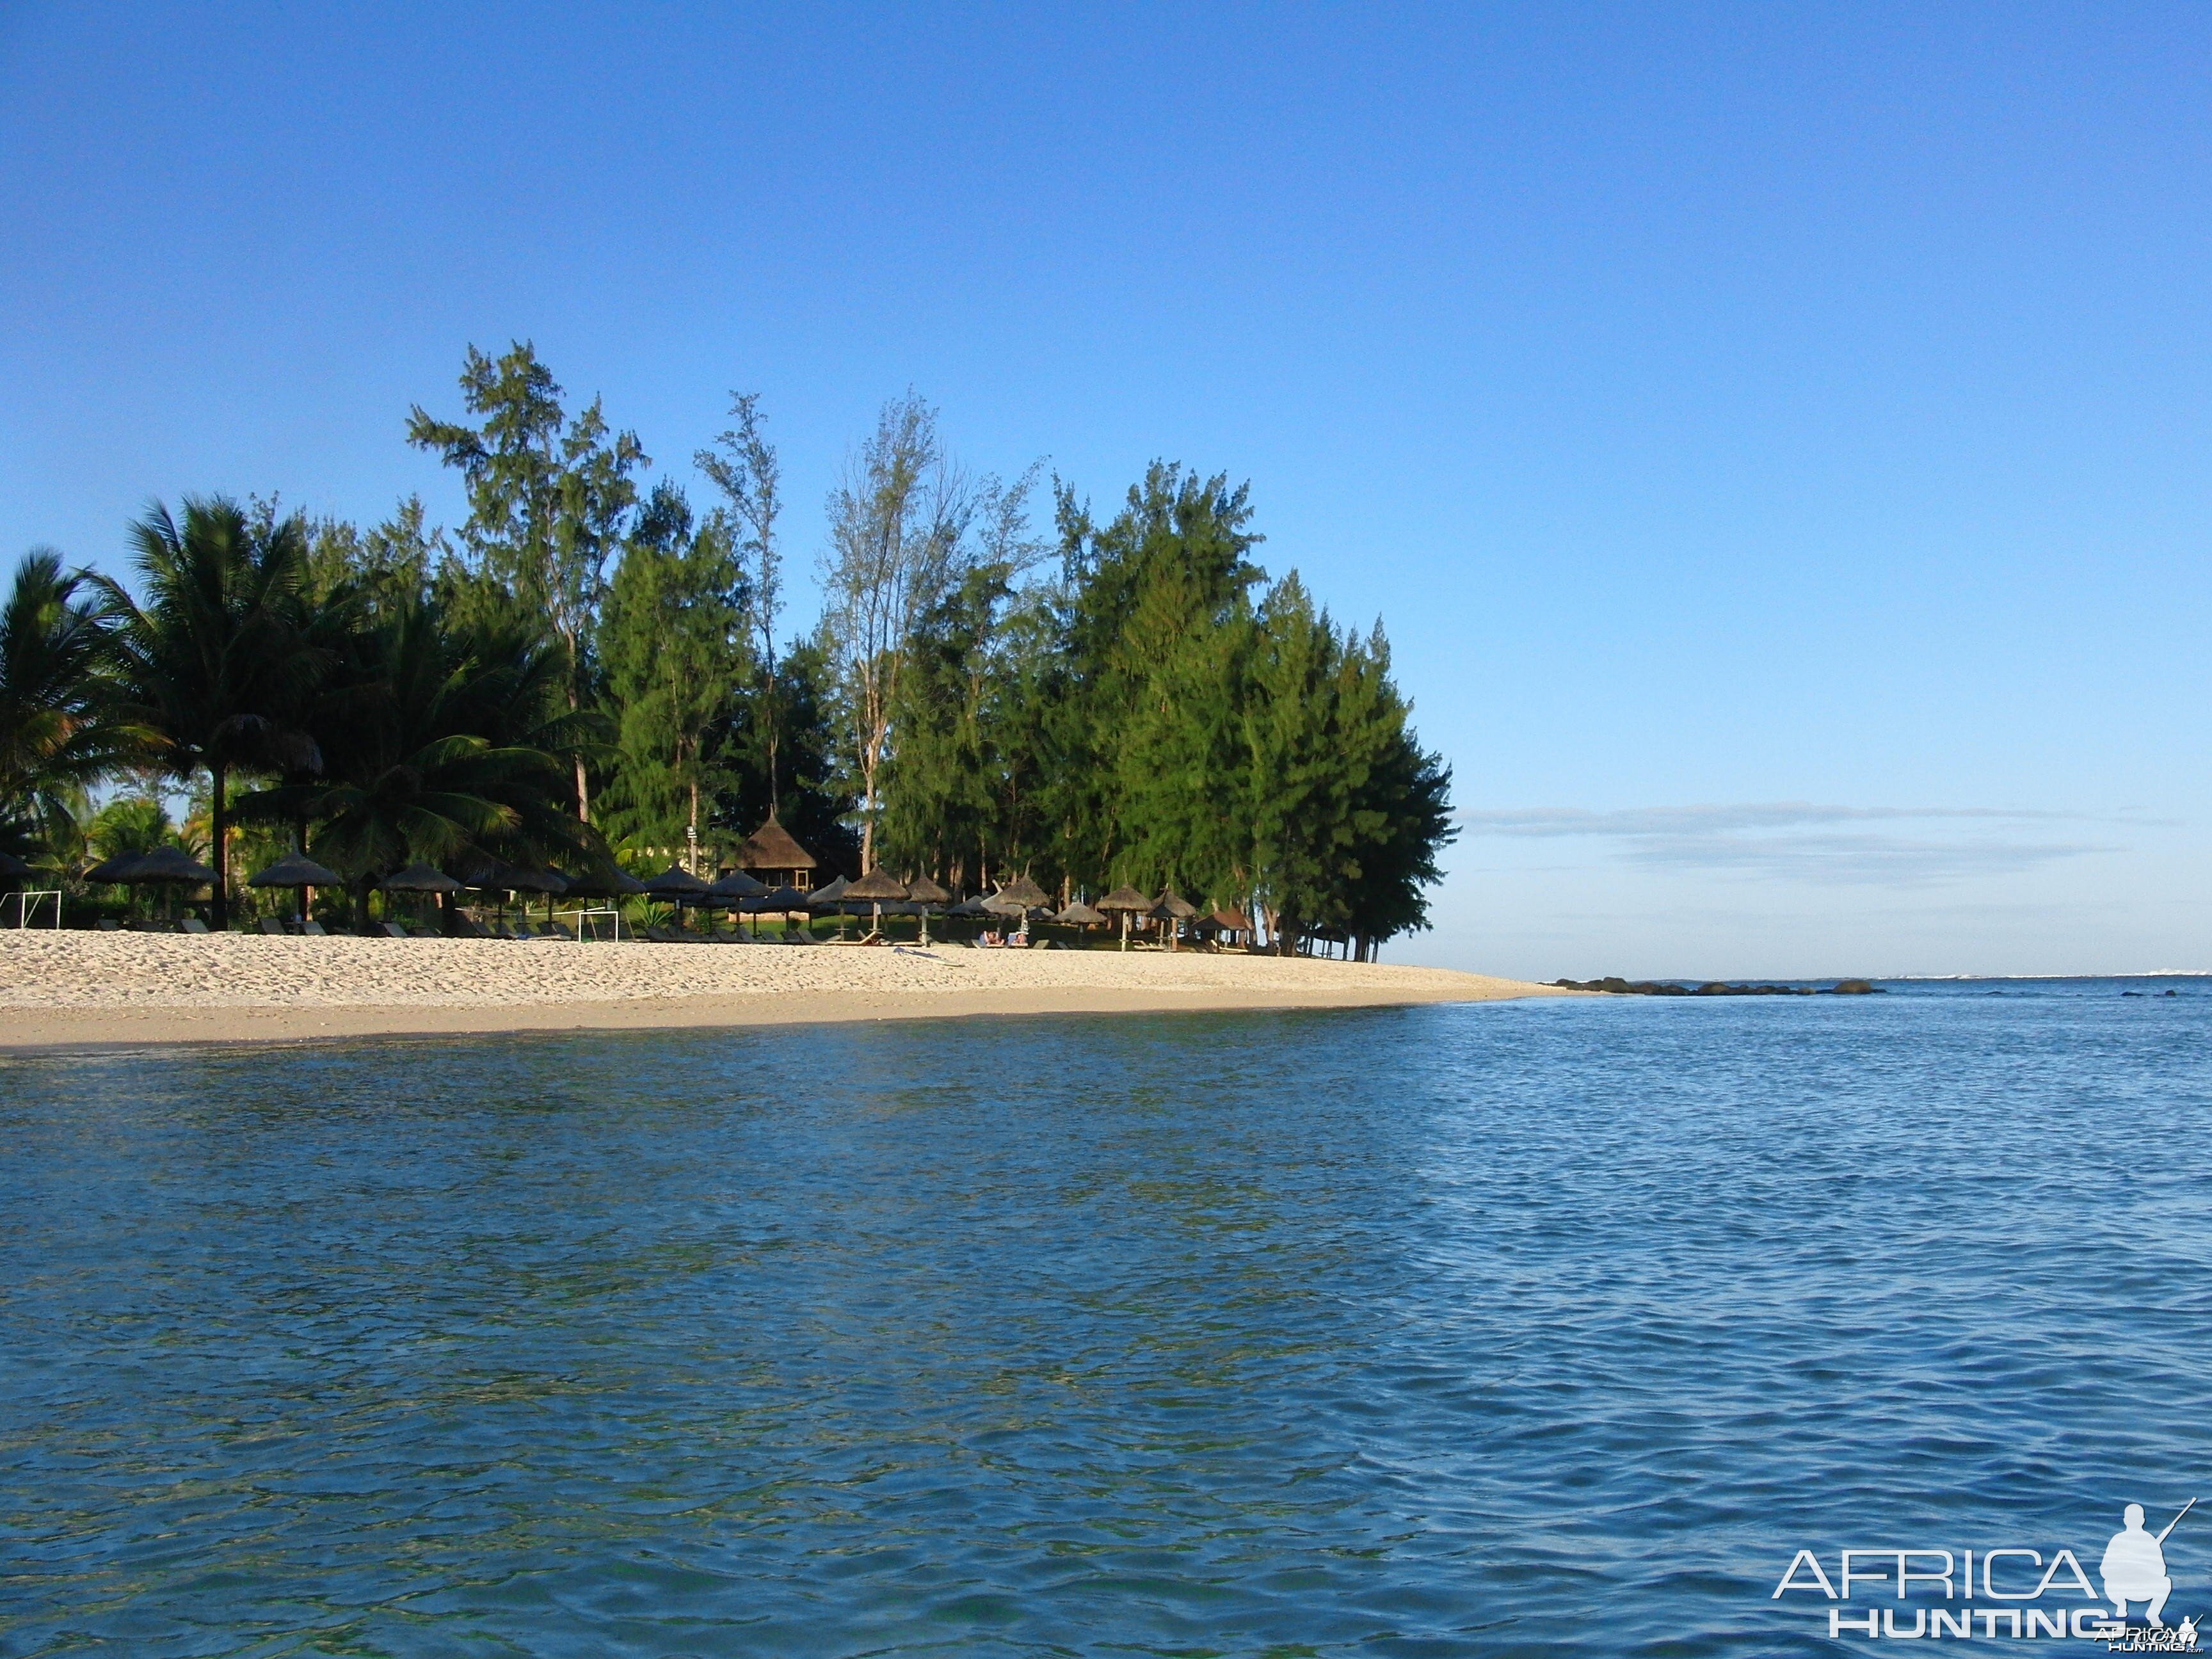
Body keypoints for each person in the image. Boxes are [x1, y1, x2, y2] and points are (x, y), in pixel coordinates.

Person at [2102, 1503, 2173, 1626]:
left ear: (2125, 1521)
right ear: (2143, 1521)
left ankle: (2152, 1614)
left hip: (2141, 1589)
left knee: (2166, 1581)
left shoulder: (2148, 1541)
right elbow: (2105, 1571)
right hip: (2123, 1588)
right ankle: (2121, 1605)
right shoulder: (2119, 1540)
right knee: (2166, 1582)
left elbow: (2161, 1570)